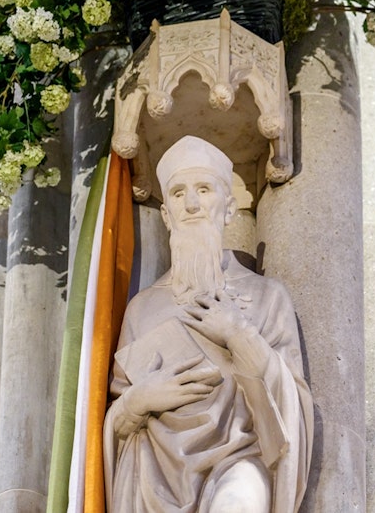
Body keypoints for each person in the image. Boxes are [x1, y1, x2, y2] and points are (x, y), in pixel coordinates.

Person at [104, 135, 313, 513]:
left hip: (239, 457)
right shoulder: (142, 308)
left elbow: (294, 406)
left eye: (204, 189)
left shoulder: (268, 296)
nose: (193, 204)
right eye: (179, 193)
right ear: (166, 214)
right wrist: (139, 401)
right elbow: (115, 423)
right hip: (155, 474)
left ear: (229, 209)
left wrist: (238, 335)